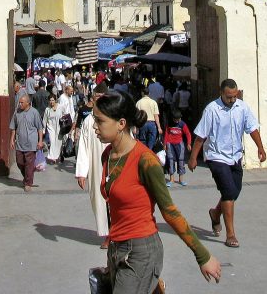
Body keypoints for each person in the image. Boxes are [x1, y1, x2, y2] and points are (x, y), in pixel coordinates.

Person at [94, 90, 221, 292]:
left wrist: (202, 255)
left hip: (140, 251)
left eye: (100, 121)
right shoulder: (107, 155)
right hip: (116, 249)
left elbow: (170, 211)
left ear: (121, 123)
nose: (94, 126)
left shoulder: (146, 161)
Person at [187, 79, 266, 249]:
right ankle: (231, 234)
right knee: (228, 193)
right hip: (216, 157)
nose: (232, 100)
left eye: (234, 96)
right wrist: (193, 157)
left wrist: (260, 148)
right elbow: (201, 136)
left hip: (235, 156)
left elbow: (252, 128)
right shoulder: (212, 109)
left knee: (234, 192)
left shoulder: (242, 107)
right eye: (229, 96)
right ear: (221, 93)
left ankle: (215, 213)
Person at [75, 83, 110, 248]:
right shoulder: (89, 121)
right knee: (98, 197)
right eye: (97, 97)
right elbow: (83, 145)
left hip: (115, 164)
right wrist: (82, 171)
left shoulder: (115, 117)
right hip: (96, 167)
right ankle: (107, 233)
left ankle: (116, 234)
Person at [9, 93, 45, 191]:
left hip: (31, 143)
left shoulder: (34, 113)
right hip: (20, 143)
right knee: (20, 162)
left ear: (28, 103)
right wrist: (12, 139)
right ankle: (27, 176)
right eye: (19, 102)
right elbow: (13, 127)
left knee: (29, 163)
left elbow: (40, 128)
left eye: (22, 102)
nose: (19, 104)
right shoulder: (17, 113)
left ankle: (28, 183)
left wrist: (40, 141)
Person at [163, 108, 192, 186]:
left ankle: (181, 179)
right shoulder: (169, 124)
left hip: (179, 144)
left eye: (178, 119)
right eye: (175, 119)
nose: (177, 121)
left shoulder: (182, 124)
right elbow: (166, 134)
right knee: (170, 160)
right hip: (170, 144)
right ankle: (171, 179)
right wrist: (165, 144)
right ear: (172, 118)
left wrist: (188, 143)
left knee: (181, 160)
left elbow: (188, 134)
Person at [43, 94, 62, 163]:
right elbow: (45, 120)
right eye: (50, 100)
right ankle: (52, 157)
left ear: (55, 100)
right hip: (51, 127)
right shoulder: (47, 109)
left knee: (58, 142)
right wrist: (43, 130)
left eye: (53, 100)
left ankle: (58, 156)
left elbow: (65, 114)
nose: (51, 102)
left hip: (59, 126)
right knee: (52, 141)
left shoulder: (60, 107)